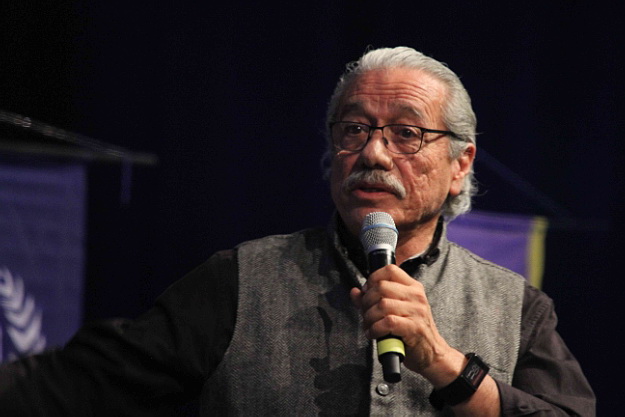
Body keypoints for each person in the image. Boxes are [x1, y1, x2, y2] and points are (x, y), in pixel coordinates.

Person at [0, 46, 594, 416]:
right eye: (354, 129)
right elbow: (77, 384)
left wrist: (445, 364)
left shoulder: (517, 308)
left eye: (406, 134)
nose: (374, 153)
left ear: (461, 164)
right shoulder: (239, 281)